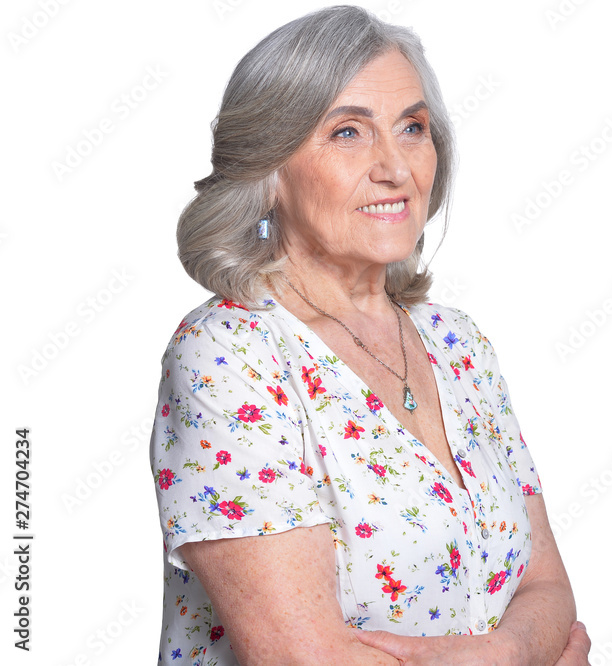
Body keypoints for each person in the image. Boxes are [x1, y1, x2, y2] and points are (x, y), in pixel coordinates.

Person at [149, 6, 589, 664]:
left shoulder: (457, 343)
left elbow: (548, 588)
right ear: (271, 168)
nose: (395, 166)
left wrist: (508, 654)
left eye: (412, 127)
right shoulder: (229, 356)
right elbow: (303, 660)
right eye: (348, 133)